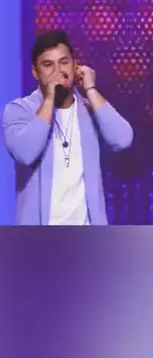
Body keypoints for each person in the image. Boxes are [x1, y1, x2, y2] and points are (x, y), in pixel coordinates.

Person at [2, 30, 134, 225]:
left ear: (75, 66)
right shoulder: (19, 110)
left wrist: (90, 89)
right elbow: (25, 153)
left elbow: (123, 139)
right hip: (39, 236)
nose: (57, 71)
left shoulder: (90, 110)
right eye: (48, 65)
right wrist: (49, 98)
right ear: (35, 72)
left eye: (64, 62)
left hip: (87, 235)